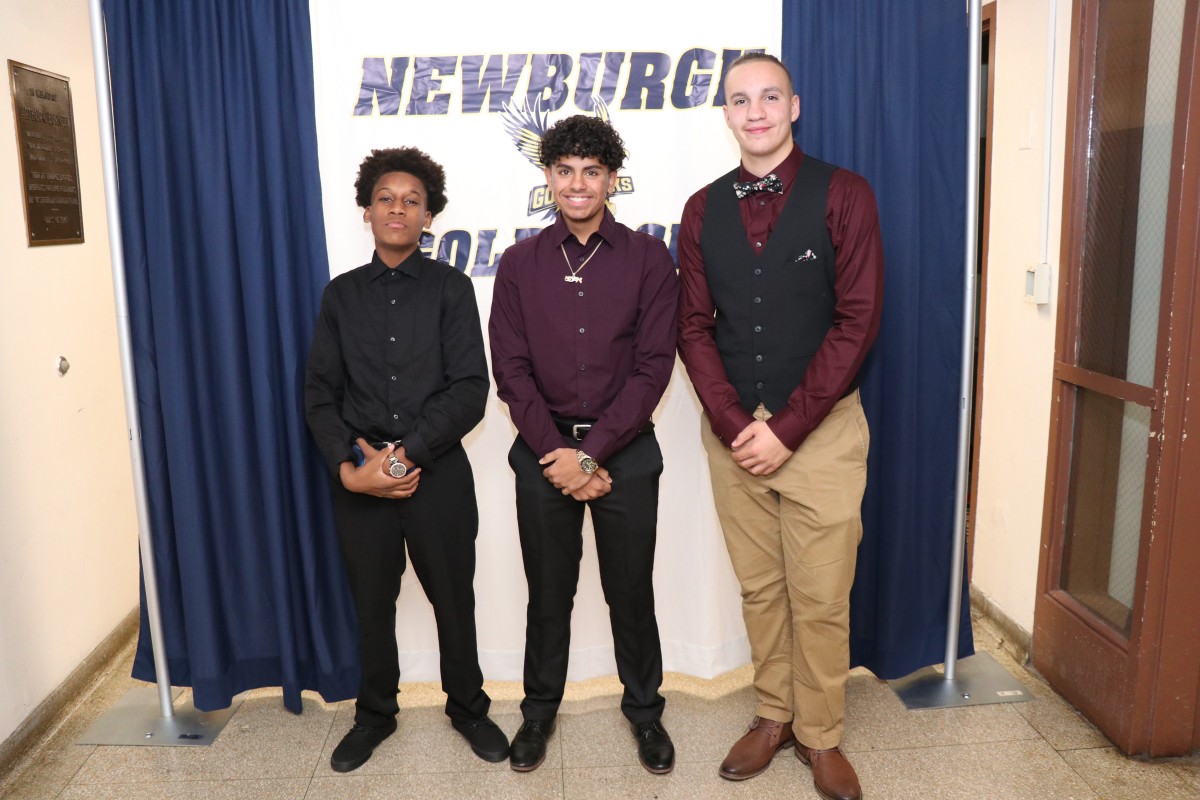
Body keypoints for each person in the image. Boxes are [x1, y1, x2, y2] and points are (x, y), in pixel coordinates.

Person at [676, 53, 883, 800]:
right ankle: (774, 714)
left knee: (821, 594)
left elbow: (857, 321)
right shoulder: (701, 210)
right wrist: (736, 424)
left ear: (794, 105)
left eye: (769, 96)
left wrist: (788, 429)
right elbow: (693, 327)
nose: (755, 110)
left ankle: (821, 735)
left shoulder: (845, 195)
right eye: (740, 99)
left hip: (821, 433)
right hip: (734, 435)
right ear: (726, 113)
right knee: (762, 590)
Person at [305, 147, 508, 772]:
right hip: (359, 478)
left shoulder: (451, 288)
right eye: (386, 198)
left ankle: (469, 708)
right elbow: (320, 394)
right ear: (367, 210)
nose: (398, 208)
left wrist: (407, 457)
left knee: (454, 599)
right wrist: (350, 468)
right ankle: (374, 715)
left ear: (429, 217)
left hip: (437, 471)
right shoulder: (340, 296)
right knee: (371, 603)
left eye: (412, 201)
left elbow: (471, 387)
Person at [489, 115, 680, 775]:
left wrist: (592, 455)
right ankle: (538, 712)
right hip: (543, 452)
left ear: (610, 179)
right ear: (547, 178)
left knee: (631, 592)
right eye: (565, 171)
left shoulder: (650, 259)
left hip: (625, 452)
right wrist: (561, 459)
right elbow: (510, 373)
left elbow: (655, 367)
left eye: (591, 172)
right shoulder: (518, 264)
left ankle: (647, 715)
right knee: (549, 592)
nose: (577, 184)